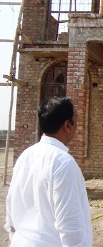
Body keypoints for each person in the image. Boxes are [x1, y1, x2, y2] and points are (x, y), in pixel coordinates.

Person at [4, 97, 93, 246]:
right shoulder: (63, 163)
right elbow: (70, 226)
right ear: (67, 125)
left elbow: (10, 207)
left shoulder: (25, 156)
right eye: (76, 120)